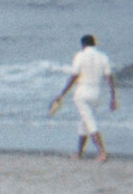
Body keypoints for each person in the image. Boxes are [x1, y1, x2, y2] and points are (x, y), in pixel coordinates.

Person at [47, 33, 117, 161]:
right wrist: (113, 98)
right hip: (97, 93)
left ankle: (102, 152)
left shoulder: (80, 56)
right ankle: (79, 153)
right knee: (84, 122)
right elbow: (109, 77)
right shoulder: (103, 57)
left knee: (89, 122)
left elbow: (74, 76)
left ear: (83, 44)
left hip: (82, 92)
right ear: (94, 44)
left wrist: (62, 94)